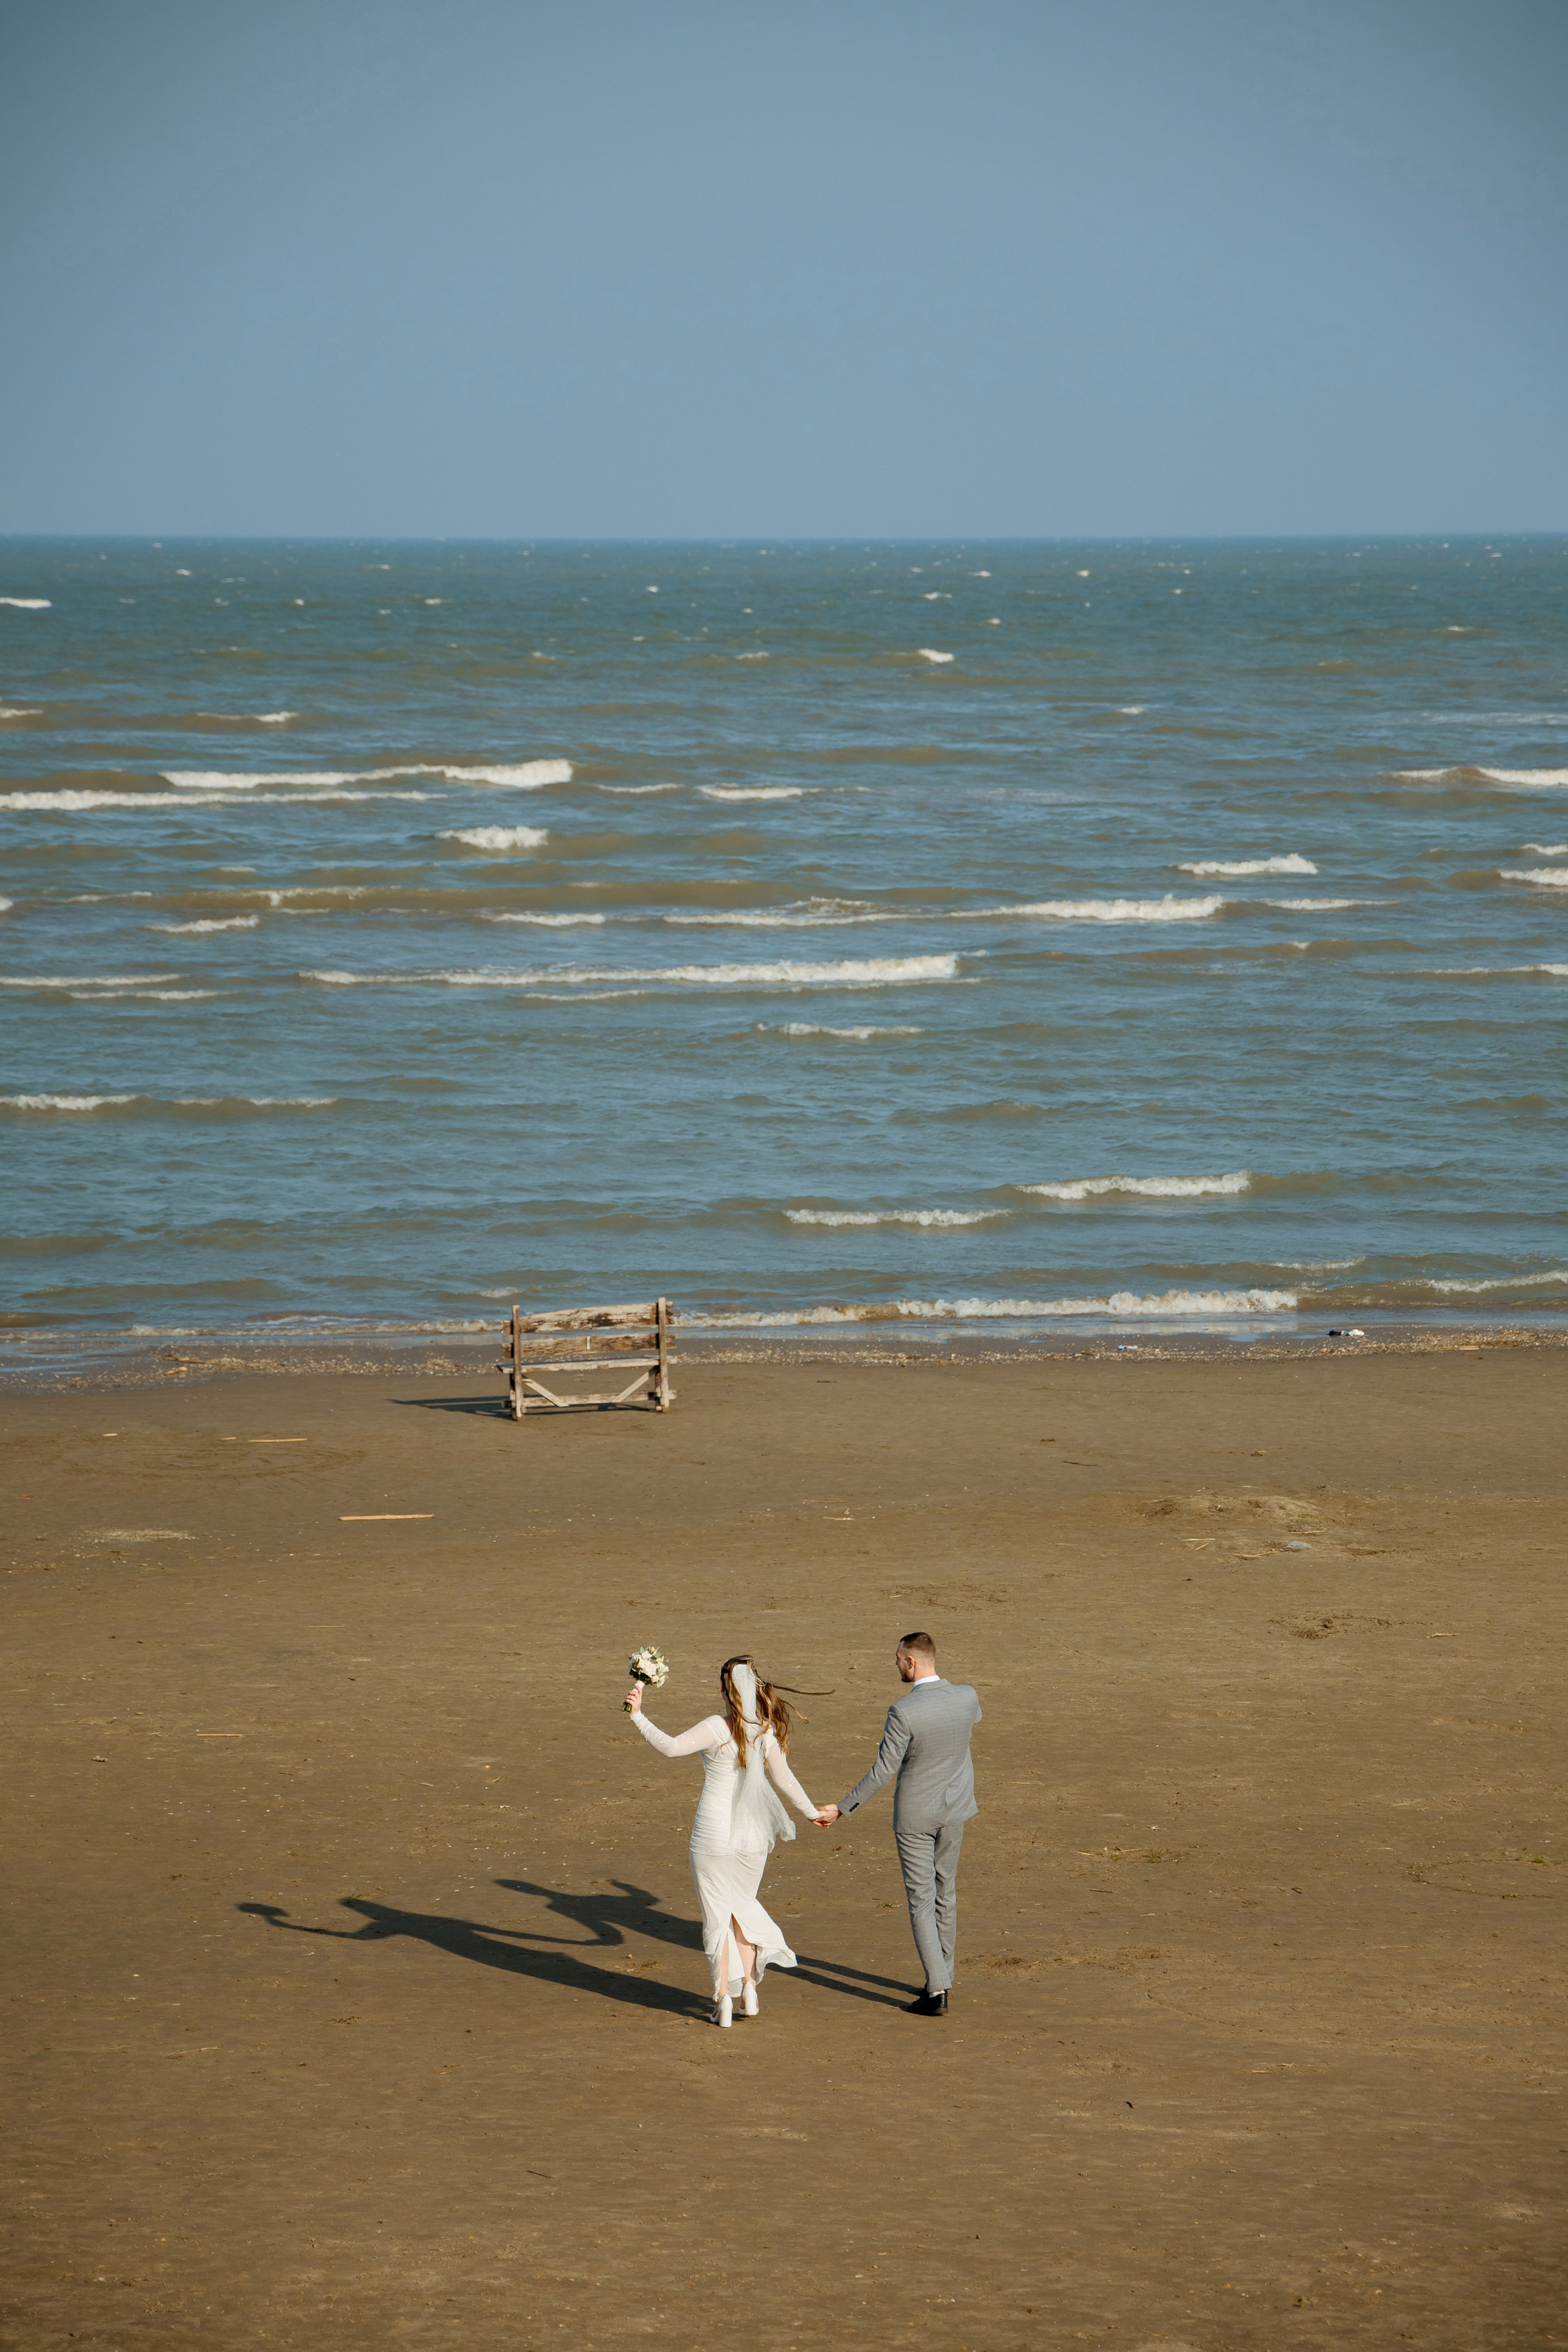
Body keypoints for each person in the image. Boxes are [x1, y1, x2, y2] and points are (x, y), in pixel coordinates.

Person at [625, 1654, 821, 2027]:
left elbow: (670, 1747)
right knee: (742, 1910)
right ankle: (748, 1989)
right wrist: (813, 1813)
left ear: (723, 1690)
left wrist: (638, 1715)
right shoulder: (765, 1730)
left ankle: (722, 2000)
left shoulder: (717, 1727)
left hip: (713, 1836)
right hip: (752, 1838)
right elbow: (785, 1779)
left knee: (717, 1919)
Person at [814, 1631, 981, 2016]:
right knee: (946, 1894)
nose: (895, 1664)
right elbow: (968, 1724)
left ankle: (937, 1990)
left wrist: (842, 1809)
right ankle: (941, 1977)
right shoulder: (968, 1696)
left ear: (912, 1662)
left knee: (922, 1900)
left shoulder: (903, 1712)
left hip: (915, 1818)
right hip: (956, 1810)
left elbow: (883, 1771)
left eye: (898, 1659)